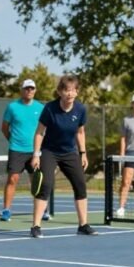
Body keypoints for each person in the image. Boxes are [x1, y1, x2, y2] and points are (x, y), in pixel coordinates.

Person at [29, 75, 97, 238]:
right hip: (49, 151)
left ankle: (83, 225)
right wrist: (36, 155)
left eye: (73, 90)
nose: (70, 94)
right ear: (60, 92)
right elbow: (39, 133)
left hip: (69, 152)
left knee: (80, 183)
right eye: (67, 90)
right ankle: (36, 226)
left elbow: (80, 132)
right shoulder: (50, 109)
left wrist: (83, 153)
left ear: (77, 92)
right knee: (46, 184)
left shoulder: (80, 109)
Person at [0, 79, 47, 222]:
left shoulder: (40, 108)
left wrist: (38, 150)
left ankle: (41, 210)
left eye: (32, 88)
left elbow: (44, 129)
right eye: (27, 88)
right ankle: (6, 210)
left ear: (35, 90)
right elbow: (4, 128)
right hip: (16, 150)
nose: (30, 91)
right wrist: (13, 140)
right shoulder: (12, 107)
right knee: (12, 179)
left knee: (36, 181)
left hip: (35, 151)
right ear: (22, 90)